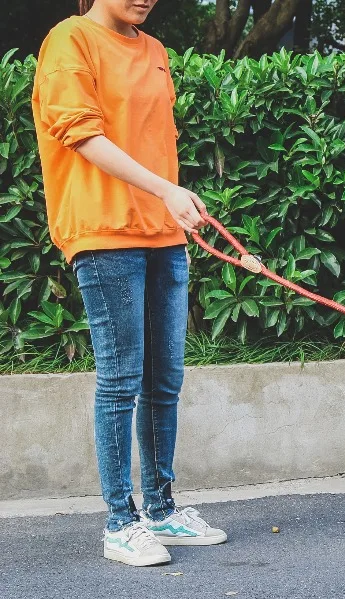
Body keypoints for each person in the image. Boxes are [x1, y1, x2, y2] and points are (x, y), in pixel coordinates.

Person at [32, 0, 227, 566]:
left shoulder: (156, 50)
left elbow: (151, 143)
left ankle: (162, 511)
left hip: (163, 234)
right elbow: (81, 136)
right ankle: (122, 522)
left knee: (164, 381)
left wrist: (172, 202)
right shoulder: (69, 40)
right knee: (120, 383)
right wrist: (166, 190)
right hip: (103, 233)